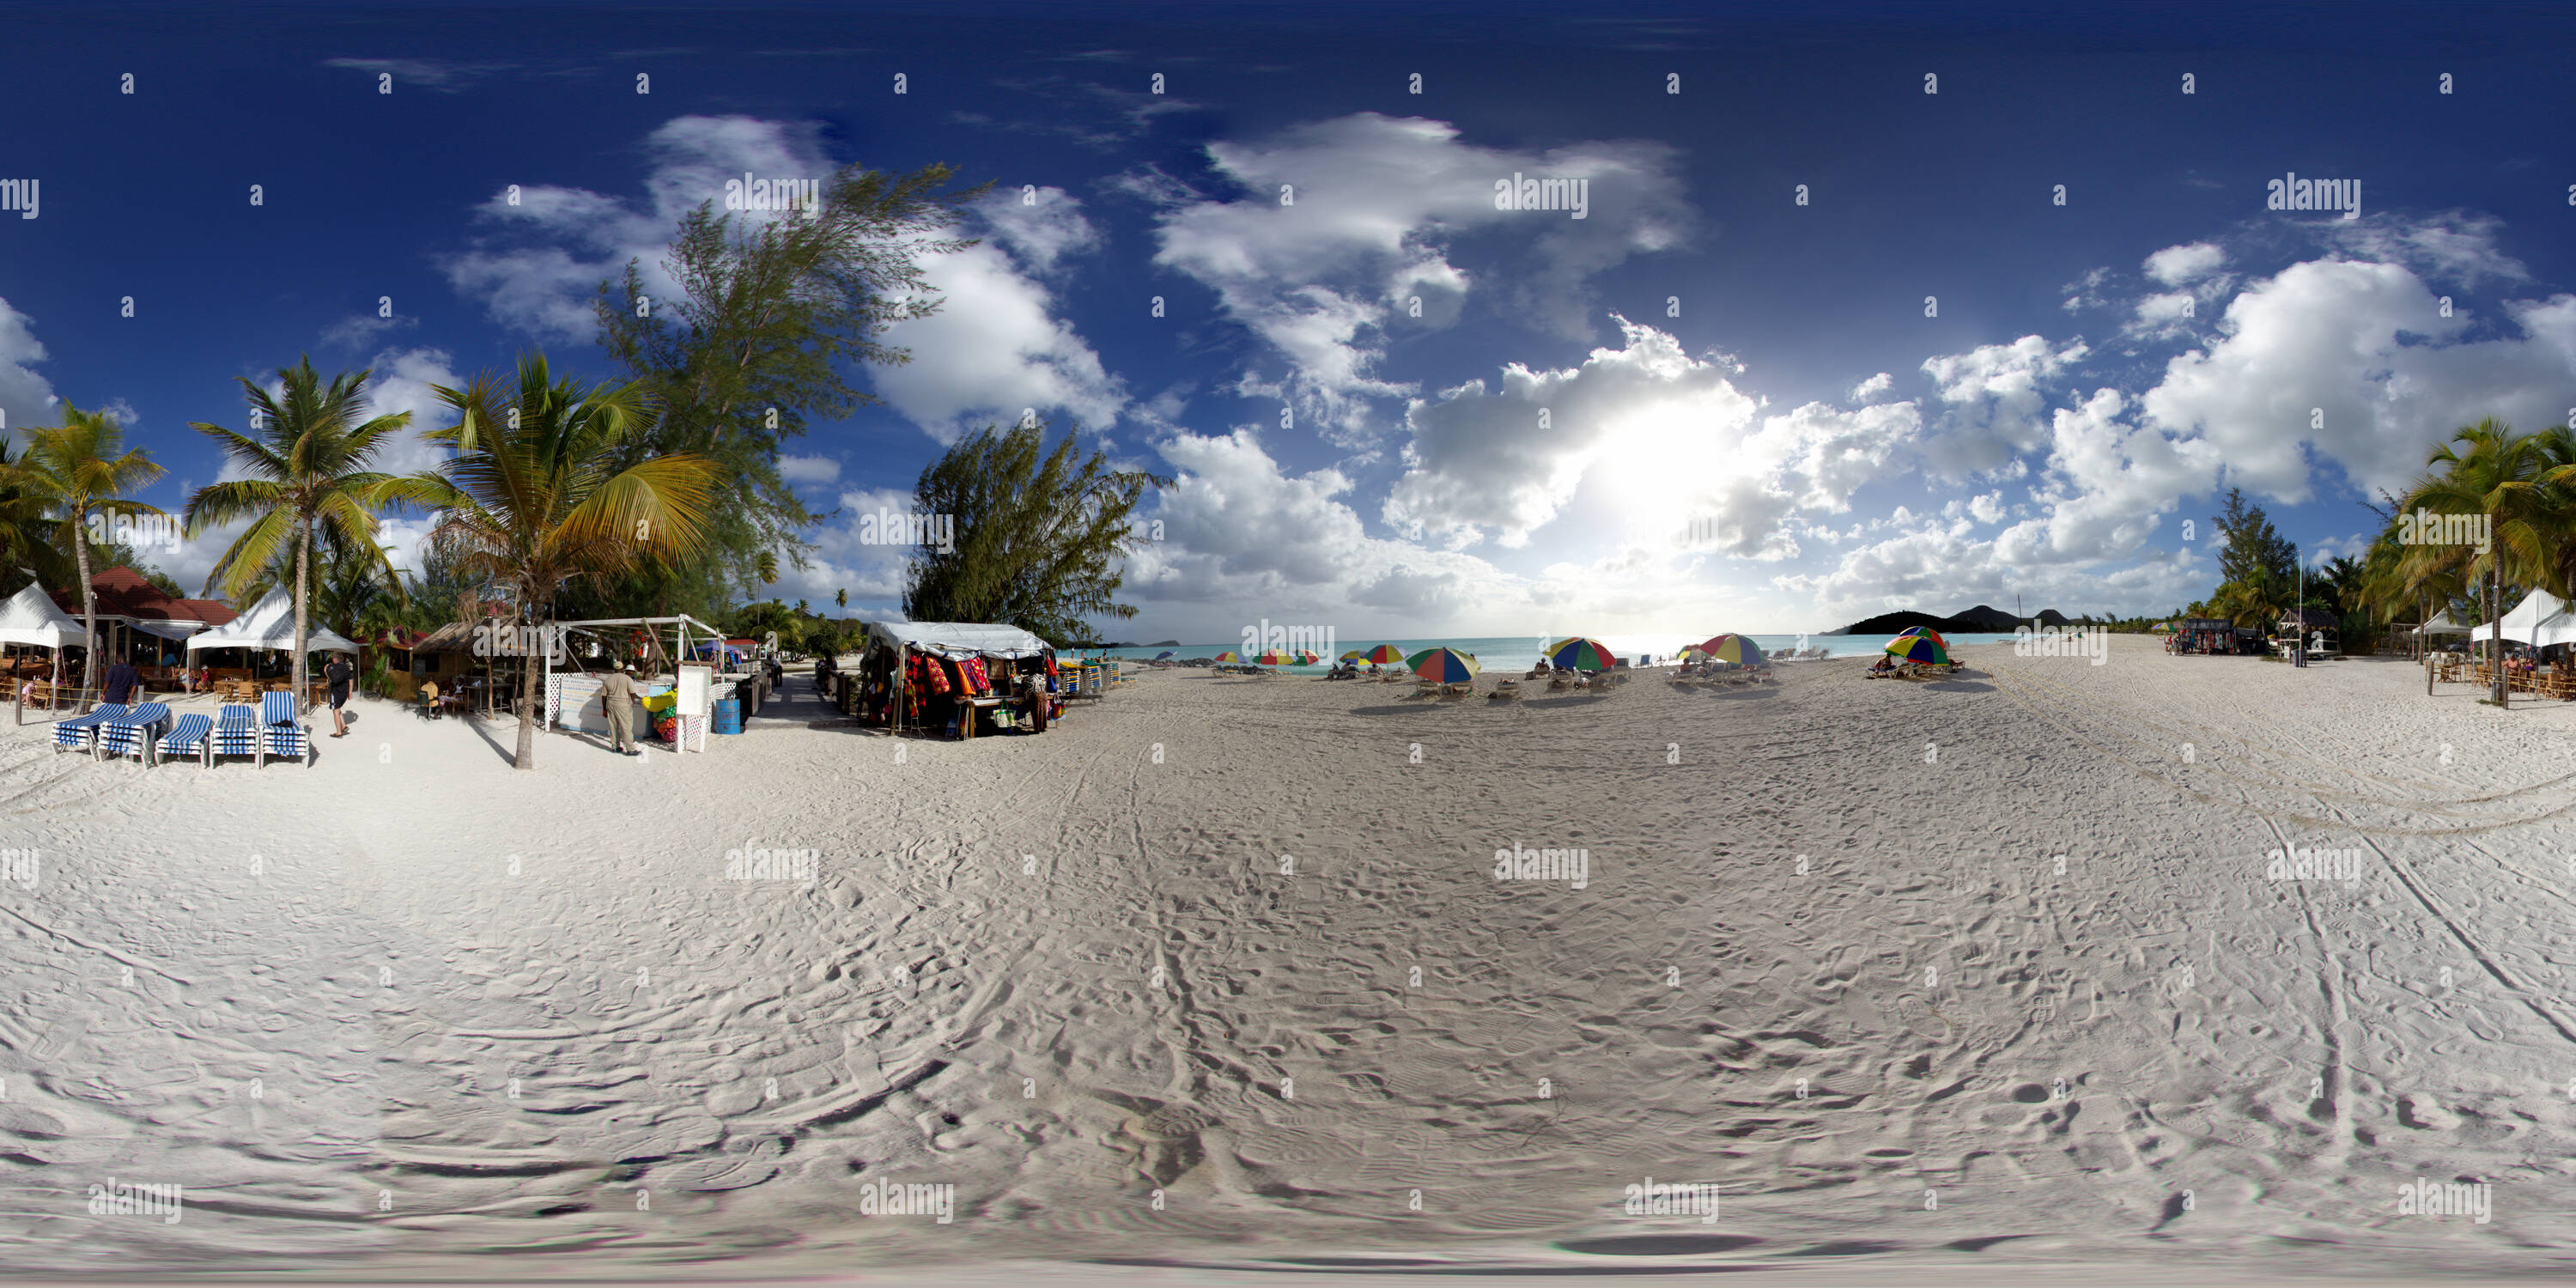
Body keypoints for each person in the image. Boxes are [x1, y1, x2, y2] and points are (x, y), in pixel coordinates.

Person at [598, 661, 641, 756]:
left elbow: (604, 696)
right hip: (623, 704)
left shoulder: (608, 679)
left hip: (611, 704)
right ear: (622, 669)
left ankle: (615, 747)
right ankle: (630, 749)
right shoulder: (627, 679)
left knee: (613, 726)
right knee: (626, 727)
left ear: (614, 669)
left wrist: (604, 709)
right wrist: (636, 701)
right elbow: (633, 694)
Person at [325, 653, 355, 738]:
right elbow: (351, 680)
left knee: (335, 711)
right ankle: (344, 725)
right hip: (345, 692)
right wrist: (350, 692)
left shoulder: (333, 668)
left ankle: (339, 732)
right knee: (337, 709)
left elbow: (332, 679)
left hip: (336, 692)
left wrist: (326, 671)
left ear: (335, 659)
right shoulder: (346, 667)